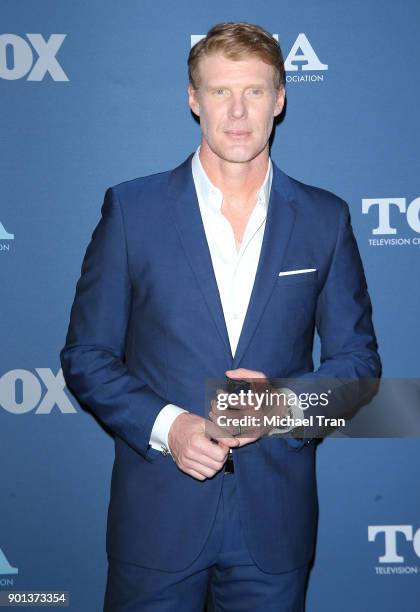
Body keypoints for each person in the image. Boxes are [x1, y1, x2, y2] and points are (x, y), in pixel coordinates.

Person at [60, 21, 381, 611]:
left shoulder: (324, 219)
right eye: (219, 92)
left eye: (255, 91)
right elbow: (86, 355)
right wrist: (170, 428)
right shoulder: (133, 210)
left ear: (280, 99)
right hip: (157, 517)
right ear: (193, 99)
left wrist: (284, 404)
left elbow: (358, 365)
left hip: (275, 525)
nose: (237, 111)